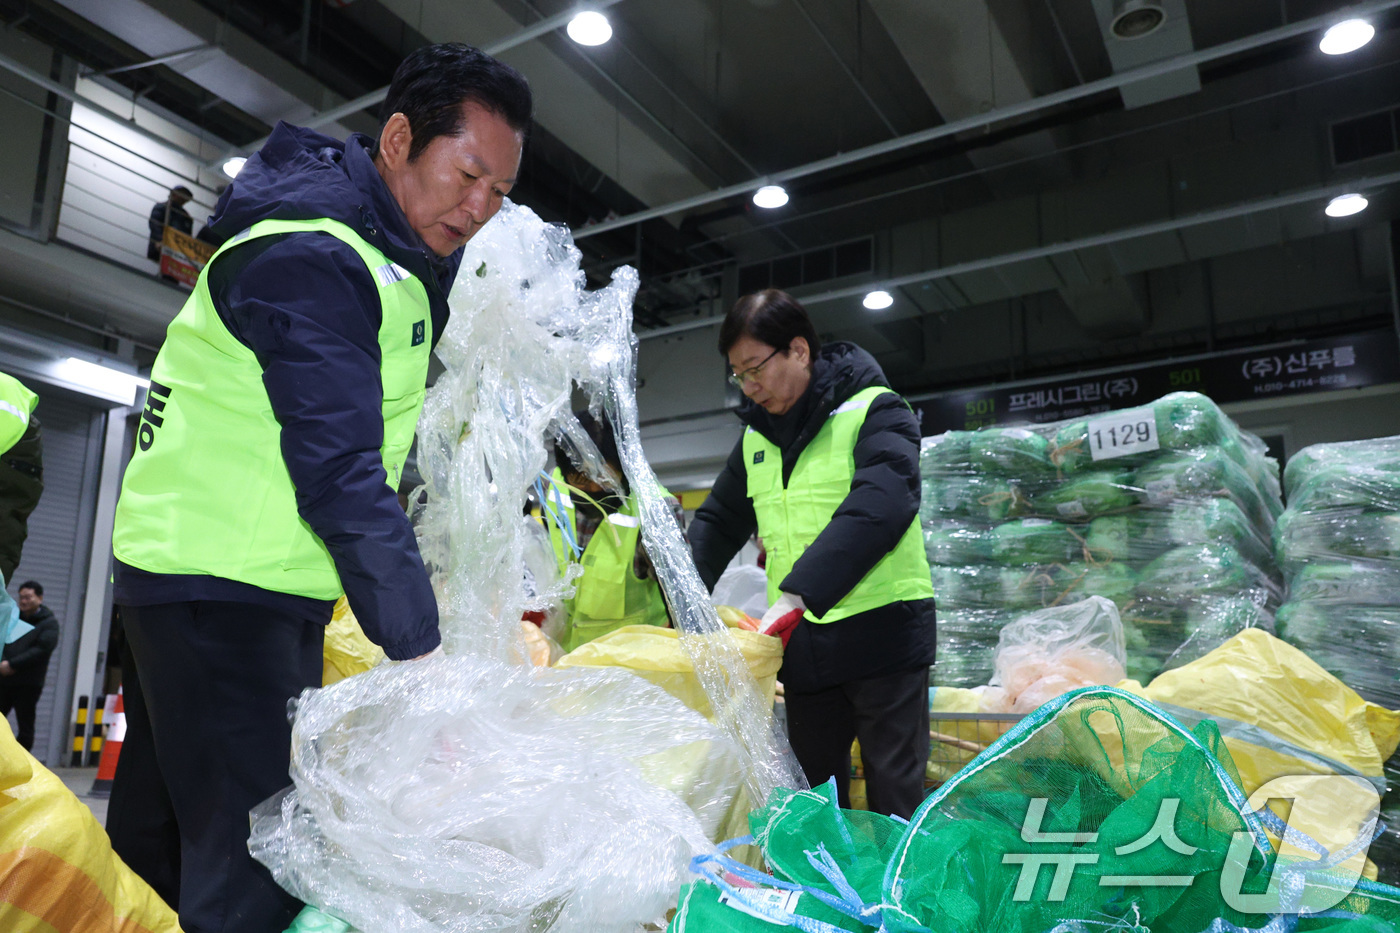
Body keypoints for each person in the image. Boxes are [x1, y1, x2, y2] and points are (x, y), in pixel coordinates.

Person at [108, 42, 531, 932]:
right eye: (468, 175)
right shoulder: (313, 257)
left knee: (162, 844)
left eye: (499, 193)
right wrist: (421, 655)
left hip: (212, 576)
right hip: (227, 587)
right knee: (254, 863)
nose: (480, 208)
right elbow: (340, 469)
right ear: (399, 139)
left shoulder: (379, 257)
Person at [689, 289, 937, 820]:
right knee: (814, 796)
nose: (749, 387)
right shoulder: (758, 439)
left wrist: (800, 592)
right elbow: (716, 520)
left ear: (799, 350)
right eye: (739, 375)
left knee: (895, 795)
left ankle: (904, 900)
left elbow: (882, 504)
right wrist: (682, 594)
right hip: (806, 650)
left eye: (755, 368)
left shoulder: (876, 411)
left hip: (884, 637)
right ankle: (826, 899)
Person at [541, 411, 677, 651]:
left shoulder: (653, 511)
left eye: (605, 477)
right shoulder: (555, 494)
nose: (594, 488)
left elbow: (682, 606)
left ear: (624, 467)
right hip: (570, 664)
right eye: (581, 478)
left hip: (635, 669)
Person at [0, 581, 59, 751]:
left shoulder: (48, 623)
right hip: (4, 680)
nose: (23, 601)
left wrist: (12, 664)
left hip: (28, 683)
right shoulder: (12, 618)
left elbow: (42, 650)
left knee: (25, 725)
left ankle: (23, 763)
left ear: (39, 598)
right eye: (21, 597)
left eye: (28, 597)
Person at [146, 185, 194, 261]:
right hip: (163, 246)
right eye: (181, 194)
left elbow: (187, 236)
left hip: (177, 251)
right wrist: (160, 240)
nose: (182, 197)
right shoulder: (162, 207)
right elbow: (155, 224)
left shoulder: (186, 217)